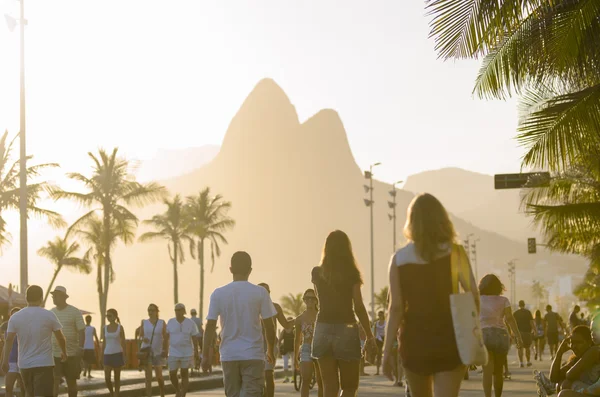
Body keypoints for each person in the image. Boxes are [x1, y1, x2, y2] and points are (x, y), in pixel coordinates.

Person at [382, 193, 479, 397]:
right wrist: (472, 328)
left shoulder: (399, 260)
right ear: (442, 220)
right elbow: (473, 294)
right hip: (450, 340)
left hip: (415, 343)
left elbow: (396, 308)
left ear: (412, 222)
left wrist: (386, 351)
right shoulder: (456, 252)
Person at [202, 251, 278, 397]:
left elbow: (210, 326)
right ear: (250, 270)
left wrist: (205, 355)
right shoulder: (260, 292)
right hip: (253, 355)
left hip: (229, 355)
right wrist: (269, 350)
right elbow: (269, 326)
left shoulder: (218, 294)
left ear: (230, 269)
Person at [311, 230, 375, 397]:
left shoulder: (317, 273)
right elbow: (359, 306)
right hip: (346, 328)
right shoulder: (352, 274)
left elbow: (319, 299)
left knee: (329, 387)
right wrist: (369, 334)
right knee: (349, 386)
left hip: (322, 328)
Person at [0, 285, 67, 397]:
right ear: (41, 298)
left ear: (26, 298)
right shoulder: (49, 315)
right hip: (44, 364)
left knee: (29, 393)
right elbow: (60, 336)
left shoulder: (16, 317)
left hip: (24, 365)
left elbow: (9, 340)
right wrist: (64, 352)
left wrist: (4, 361)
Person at [479, 274, 523, 397]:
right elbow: (509, 318)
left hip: (484, 335)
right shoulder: (504, 300)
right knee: (498, 371)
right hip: (501, 336)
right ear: (499, 287)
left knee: (487, 371)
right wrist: (518, 336)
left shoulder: (477, 299)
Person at [258, 283, 293, 397]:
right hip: (255, 345)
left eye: (265, 292)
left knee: (268, 374)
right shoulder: (252, 308)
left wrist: (302, 319)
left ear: (269, 293)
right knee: (258, 377)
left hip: (271, 345)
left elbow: (286, 325)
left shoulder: (275, 307)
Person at [50, 286, 86, 397]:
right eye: (53, 296)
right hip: (54, 354)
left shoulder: (75, 312)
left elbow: (81, 331)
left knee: (71, 383)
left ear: (63, 297)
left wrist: (80, 348)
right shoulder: (51, 313)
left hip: (71, 354)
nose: (53, 298)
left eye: (55, 296)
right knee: (54, 382)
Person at [545, 325, 600, 394]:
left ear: (589, 342)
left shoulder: (593, 352)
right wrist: (559, 353)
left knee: (565, 386)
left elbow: (570, 375)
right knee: (559, 384)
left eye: (578, 342)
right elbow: (554, 378)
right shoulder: (577, 357)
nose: (574, 346)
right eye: (572, 342)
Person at [293, 289, 323, 397]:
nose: (310, 300)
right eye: (307, 298)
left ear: (316, 300)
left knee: (321, 382)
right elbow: (297, 339)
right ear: (304, 300)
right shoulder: (299, 319)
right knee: (305, 380)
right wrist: (295, 357)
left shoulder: (322, 316)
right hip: (306, 348)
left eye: (312, 298)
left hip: (320, 348)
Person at [166, 303, 199, 397]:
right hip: (173, 352)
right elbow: (166, 337)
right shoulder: (171, 322)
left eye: (179, 310)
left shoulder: (190, 323)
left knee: (184, 373)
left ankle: (182, 394)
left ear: (184, 311)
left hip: (187, 352)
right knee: (172, 374)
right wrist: (164, 350)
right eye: (176, 310)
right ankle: (178, 390)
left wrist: (196, 352)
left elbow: (194, 338)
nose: (177, 312)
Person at [139, 304, 168, 397]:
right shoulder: (144, 322)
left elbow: (166, 337)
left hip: (158, 351)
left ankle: (162, 393)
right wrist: (143, 338)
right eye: (149, 310)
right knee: (148, 376)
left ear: (156, 311)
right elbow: (140, 335)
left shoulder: (162, 322)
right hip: (147, 351)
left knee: (159, 376)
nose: (150, 312)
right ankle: (148, 395)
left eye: (152, 310)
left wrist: (165, 349)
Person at [1, 307, 25, 397]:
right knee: (8, 387)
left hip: (23, 361)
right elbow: (5, 346)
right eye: (13, 314)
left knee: (23, 388)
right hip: (11, 362)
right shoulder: (8, 328)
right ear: (10, 316)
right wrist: (2, 361)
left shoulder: (25, 328)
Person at [103, 308, 127, 397]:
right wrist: (101, 356)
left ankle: (116, 395)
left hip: (117, 353)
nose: (108, 317)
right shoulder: (104, 328)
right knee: (107, 378)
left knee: (117, 378)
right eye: (107, 316)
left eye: (110, 316)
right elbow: (104, 342)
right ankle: (112, 393)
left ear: (115, 317)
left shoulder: (120, 327)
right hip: (107, 354)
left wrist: (125, 355)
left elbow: (124, 342)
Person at [513, 300, 536, 368]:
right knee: (527, 348)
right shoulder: (528, 312)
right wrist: (535, 330)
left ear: (519, 305)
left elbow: (513, 323)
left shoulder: (515, 313)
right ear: (524, 305)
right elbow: (531, 322)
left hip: (518, 333)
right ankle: (528, 361)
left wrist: (512, 332)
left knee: (520, 348)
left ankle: (521, 362)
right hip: (527, 332)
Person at [279, 317, 295, 383]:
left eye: (291, 322)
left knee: (293, 364)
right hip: (285, 349)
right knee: (285, 363)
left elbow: (299, 339)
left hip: (293, 349)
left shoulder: (295, 330)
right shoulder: (284, 330)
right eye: (288, 322)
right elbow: (279, 340)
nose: (290, 323)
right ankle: (286, 378)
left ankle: (293, 378)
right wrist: (279, 350)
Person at [189, 309, 204, 374]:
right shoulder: (198, 320)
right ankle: (199, 365)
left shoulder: (189, 320)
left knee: (193, 351)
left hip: (192, 337)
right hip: (199, 336)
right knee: (201, 351)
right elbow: (201, 329)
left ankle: (192, 367)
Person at [374, 311, 386, 376]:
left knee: (387, 354)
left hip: (385, 338)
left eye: (381, 315)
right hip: (378, 339)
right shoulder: (376, 323)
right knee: (378, 355)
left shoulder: (386, 322)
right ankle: (377, 371)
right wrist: (374, 339)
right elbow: (375, 332)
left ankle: (387, 370)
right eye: (379, 315)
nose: (380, 316)